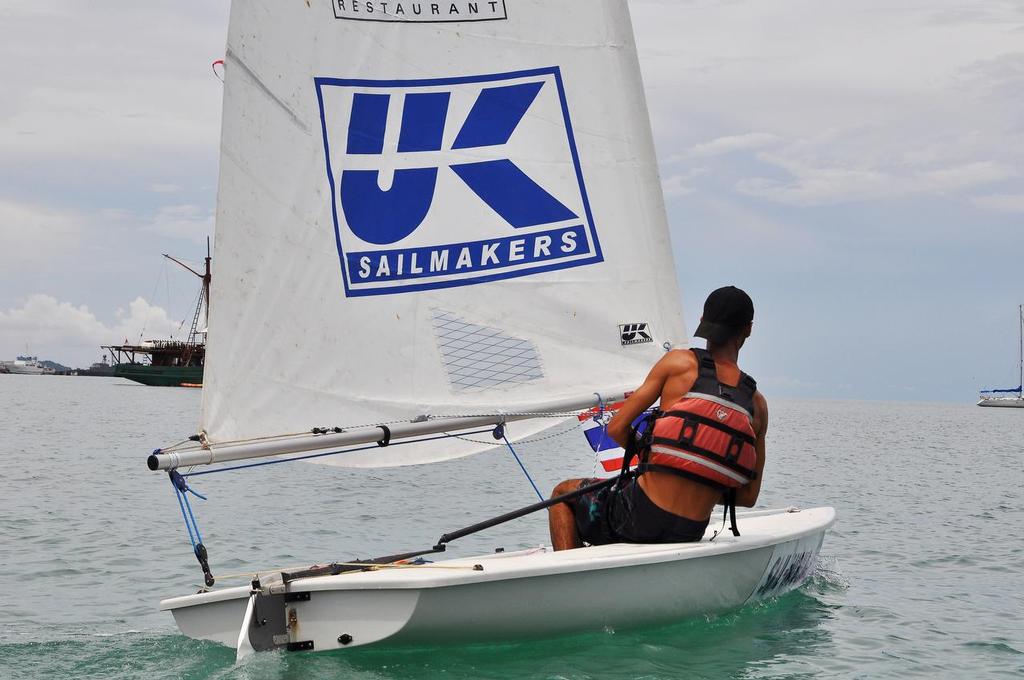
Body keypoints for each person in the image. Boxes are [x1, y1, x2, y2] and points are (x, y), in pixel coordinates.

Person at [547, 286, 768, 550]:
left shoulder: (678, 364)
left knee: (563, 494)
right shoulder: (757, 405)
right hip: (690, 529)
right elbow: (748, 497)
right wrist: (700, 479)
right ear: (749, 329)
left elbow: (616, 428)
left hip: (640, 515)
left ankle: (575, 583)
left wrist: (661, 465)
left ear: (702, 322)